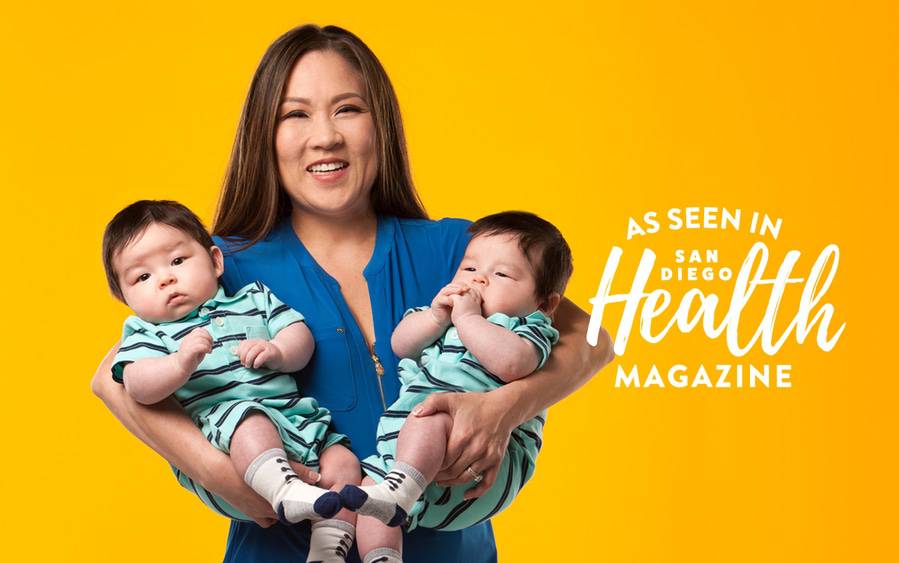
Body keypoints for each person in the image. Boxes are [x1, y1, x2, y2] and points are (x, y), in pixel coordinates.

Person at [91, 24, 615, 563]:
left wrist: (505, 408)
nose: (326, 137)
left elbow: (592, 339)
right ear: (264, 136)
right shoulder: (220, 267)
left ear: (380, 125)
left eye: (348, 109)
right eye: (296, 114)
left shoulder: (460, 252)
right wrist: (218, 472)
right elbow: (111, 379)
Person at [103, 200, 360, 560]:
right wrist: (179, 364)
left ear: (215, 261)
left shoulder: (253, 298)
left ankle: (328, 548)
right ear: (123, 296)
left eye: (177, 261)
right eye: (142, 277)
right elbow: (138, 386)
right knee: (248, 419)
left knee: (346, 463)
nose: (165, 278)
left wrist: (279, 351)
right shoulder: (147, 333)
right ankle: (284, 491)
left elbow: (299, 336)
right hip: (226, 439)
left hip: (297, 422)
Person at [340, 211, 572, 563]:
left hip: (481, 463)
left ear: (544, 303)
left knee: (434, 414)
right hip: (407, 457)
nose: (479, 280)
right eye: (469, 269)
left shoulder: (527, 327)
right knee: (369, 495)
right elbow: (401, 344)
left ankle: (400, 489)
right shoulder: (443, 317)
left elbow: (513, 364)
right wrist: (436, 317)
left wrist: (468, 319)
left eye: (502, 274)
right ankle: (383, 556)